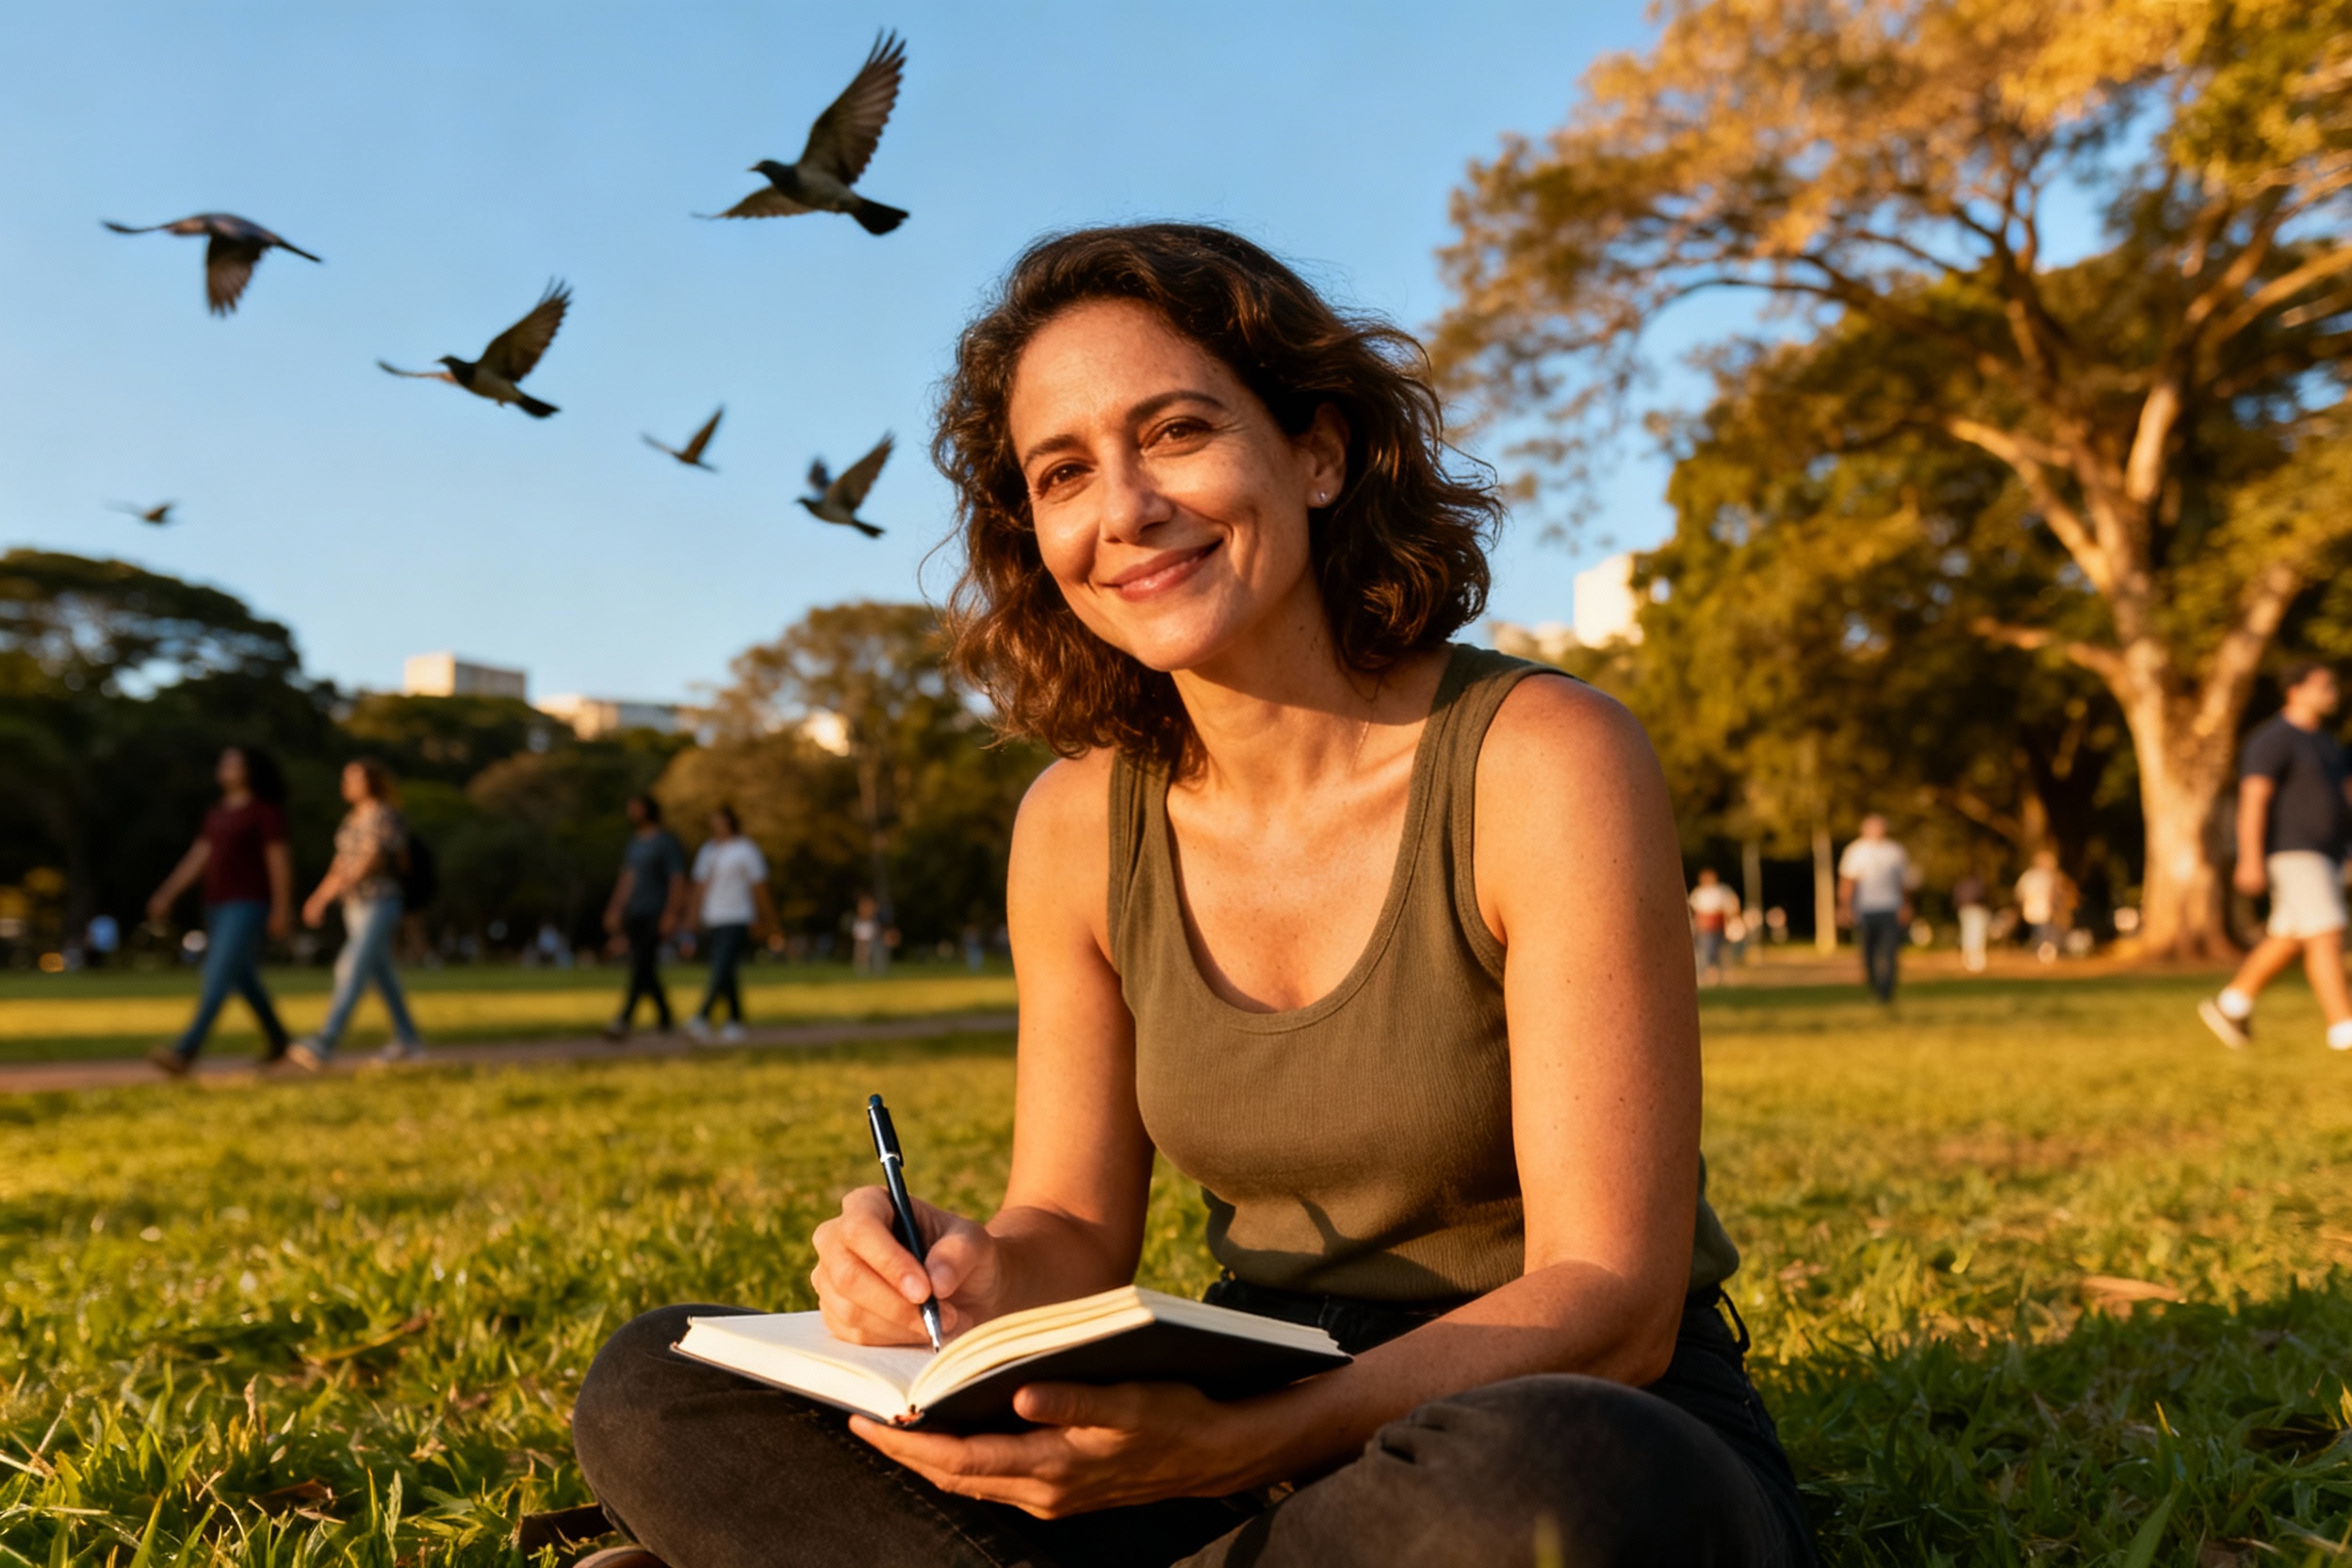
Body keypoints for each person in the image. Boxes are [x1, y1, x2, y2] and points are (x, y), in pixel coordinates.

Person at [571, 223, 1812, 1568]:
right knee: (657, 1382)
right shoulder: (1070, 821)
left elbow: (1611, 1301)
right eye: (1063, 473)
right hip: (1236, 1412)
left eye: (1173, 433)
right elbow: (1074, 1231)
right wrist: (962, 1275)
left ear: (1320, 452)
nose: (1125, 510)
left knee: (1562, 1481)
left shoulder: (1542, 759)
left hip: (1531, 1400)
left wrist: (1255, 1447)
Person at [2199, 661, 2352, 1052]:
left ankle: (2232, 1003)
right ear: (2295, 690)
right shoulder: (2273, 740)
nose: (2332, 692)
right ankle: (2343, 1027)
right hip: (2293, 850)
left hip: (2328, 854)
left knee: (2288, 937)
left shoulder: (2329, 745)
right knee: (2326, 933)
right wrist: (2250, 857)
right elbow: (2254, 800)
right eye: (2324, 685)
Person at [145, 746, 295, 1075]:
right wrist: (167, 893)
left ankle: (185, 1051)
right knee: (241, 976)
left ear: (250, 771)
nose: (224, 768)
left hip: (249, 904)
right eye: (223, 762)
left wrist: (282, 907)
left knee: (216, 973)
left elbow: (278, 861)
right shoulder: (217, 813)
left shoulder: (264, 812)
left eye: (233, 764)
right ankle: (279, 1038)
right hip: (216, 904)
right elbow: (198, 857)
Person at [288, 759, 422, 1069]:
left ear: (370, 781)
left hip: (381, 902)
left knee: (351, 968)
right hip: (355, 905)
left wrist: (340, 887)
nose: (346, 785)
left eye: (353, 779)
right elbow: (341, 862)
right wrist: (320, 897)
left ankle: (326, 1041)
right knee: (381, 975)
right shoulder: (352, 819)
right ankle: (408, 1038)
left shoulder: (385, 815)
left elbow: (371, 859)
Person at [685, 805, 776, 1044]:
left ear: (730, 823)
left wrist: (766, 920)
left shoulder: (745, 850)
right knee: (726, 970)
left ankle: (702, 1016)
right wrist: (692, 915)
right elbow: (699, 886)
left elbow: (759, 887)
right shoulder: (708, 851)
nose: (716, 827)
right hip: (712, 917)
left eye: (720, 822)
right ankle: (734, 1021)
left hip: (737, 916)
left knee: (721, 966)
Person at [603, 793, 688, 1040]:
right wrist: (615, 908)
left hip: (657, 911)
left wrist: (672, 913)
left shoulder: (666, 842)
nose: (631, 812)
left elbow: (677, 879)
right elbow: (627, 878)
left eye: (636, 808)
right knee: (645, 965)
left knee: (641, 963)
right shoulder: (635, 843)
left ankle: (623, 1019)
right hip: (636, 911)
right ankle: (665, 1016)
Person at [1838, 814, 1918, 1004]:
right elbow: (1848, 882)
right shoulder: (1856, 851)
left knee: (1890, 952)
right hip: (1865, 909)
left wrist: (1906, 906)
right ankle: (1874, 989)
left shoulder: (1895, 851)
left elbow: (1904, 883)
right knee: (1868, 953)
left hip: (1890, 908)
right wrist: (1844, 907)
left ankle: (1886, 993)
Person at [2013, 851, 2070, 964]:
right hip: (2039, 909)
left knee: (2044, 931)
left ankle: (2045, 952)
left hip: (2044, 910)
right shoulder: (2034, 876)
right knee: (2042, 931)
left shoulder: (2045, 876)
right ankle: (2044, 953)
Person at [1688, 868, 1740, 987]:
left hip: (1719, 926)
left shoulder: (1722, 891)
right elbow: (1694, 910)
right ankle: (1708, 974)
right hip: (1704, 927)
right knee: (1706, 951)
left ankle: (1717, 974)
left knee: (1718, 951)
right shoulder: (1698, 893)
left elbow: (1731, 907)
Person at [1953, 873, 1991, 974]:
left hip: (1965, 910)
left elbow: (1956, 899)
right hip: (1973, 911)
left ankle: (1970, 960)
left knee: (1969, 935)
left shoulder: (1962, 884)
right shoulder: (1977, 885)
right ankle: (1974, 961)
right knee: (1976, 936)